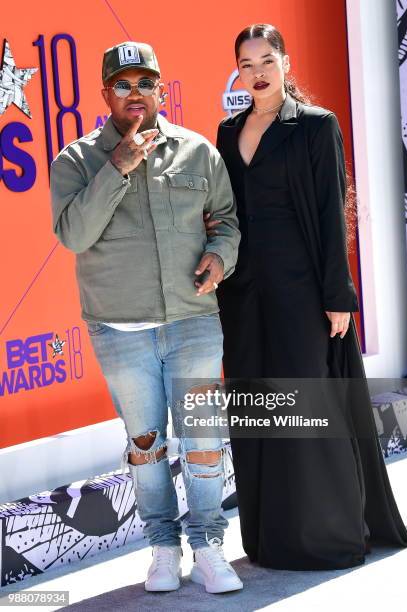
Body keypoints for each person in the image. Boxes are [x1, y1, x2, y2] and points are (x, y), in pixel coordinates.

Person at [206, 23, 407, 570]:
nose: (257, 73)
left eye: (266, 61)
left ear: (285, 64)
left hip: (303, 292)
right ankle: (269, 538)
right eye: (247, 64)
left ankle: (329, 536)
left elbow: (332, 213)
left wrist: (339, 295)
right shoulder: (227, 134)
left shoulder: (315, 127)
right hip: (243, 294)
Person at [50, 41, 243, 594]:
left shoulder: (199, 152)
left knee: (204, 439)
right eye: (123, 84)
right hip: (120, 329)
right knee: (147, 444)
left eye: (145, 82)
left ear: (162, 88)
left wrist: (219, 256)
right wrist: (117, 168)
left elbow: (226, 220)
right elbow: (73, 235)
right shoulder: (77, 160)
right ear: (105, 92)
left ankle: (208, 546)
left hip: (193, 322)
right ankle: (162, 548)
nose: (135, 93)